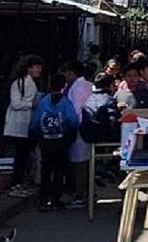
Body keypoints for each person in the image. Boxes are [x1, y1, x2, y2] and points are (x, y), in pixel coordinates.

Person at [30, 73, 79, 210]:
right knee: (59, 170)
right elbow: (73, 121)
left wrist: (36, 137)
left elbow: (35, 122)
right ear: (64, 86)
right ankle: (55, 199)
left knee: (46, 169)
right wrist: (71, 137)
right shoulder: (66, 102)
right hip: (61, 141)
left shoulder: (44, 102)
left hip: (46, 141)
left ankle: (43, 199)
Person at [2, 55, 42, 198]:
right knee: (20, 155)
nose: (39, 70)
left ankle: (20, 183)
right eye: (36, 67)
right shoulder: (19, 83)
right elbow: (15, 103)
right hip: (18, 125)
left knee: (24, 156)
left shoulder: (32, 83)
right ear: (29, 68)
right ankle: (15, 184)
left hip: (26, 124)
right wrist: (31, 104)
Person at [62, 62, 91, 209]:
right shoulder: (88, 85)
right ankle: (88, 192)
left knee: (78, 162)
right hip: (88, 126)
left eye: (66, 73)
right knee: (86, 161)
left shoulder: (75, 88)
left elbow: (74, 110)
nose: (65, 77)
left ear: (72, 73)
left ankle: (80, 194)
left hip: (78, 127)